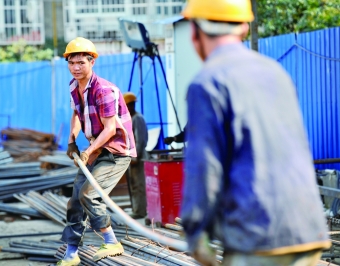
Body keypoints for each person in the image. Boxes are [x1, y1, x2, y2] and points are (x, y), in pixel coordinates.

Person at [180, 1, 331, 265]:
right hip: (309, 230)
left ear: (195, 31)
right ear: (244, 27)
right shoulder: (276, 73)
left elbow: (204, 168)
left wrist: (195, 232)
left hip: (257, 238)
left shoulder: (207, 83)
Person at [61, 37, 137, 266]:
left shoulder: (103, 90)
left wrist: (88, 151)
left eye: (81, 63)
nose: (76, 67)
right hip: (97, 146)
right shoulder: (74, 86)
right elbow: (76, 114)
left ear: (92, 62)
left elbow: (110, 129)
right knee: (75, 201)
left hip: (116, 151)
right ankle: (71, 254)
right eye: (71, 63)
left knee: (88, 194)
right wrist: (72, 140)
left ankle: (112, 241)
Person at [123, 92, 148, 219]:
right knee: (133, 184)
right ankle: (136, 208)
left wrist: (135, 157)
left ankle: (140, 211)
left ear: (130, 106)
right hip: (130, 157)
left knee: (138, 185)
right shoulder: (130, 119)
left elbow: (140, 140)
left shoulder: (137, 119)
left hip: (137, 158)